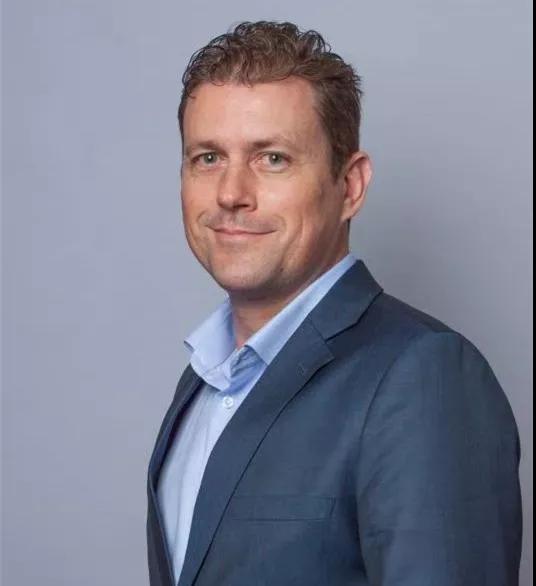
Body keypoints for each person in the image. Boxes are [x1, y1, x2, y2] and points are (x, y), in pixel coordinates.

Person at [146, 20, 522, 586]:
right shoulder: (200, 386)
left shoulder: (424, 376)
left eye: (272, 158)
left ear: (350, 186)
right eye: (208, 158)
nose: (231, 193)